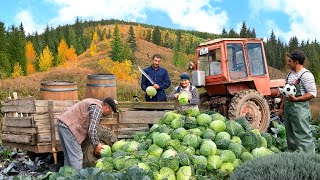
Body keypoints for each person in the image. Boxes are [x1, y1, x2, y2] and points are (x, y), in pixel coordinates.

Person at [55, 97, 117, 169]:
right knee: (77, 157)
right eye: (110, 112)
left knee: (69, 156)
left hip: (62, 124)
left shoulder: (94, 102)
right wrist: (96, 145)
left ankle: (67, 176)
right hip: (69, 127)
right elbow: (92, 129)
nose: (108, 114)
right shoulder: (98, 109)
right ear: (106, 108)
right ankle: (76, 176)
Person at [279, 50, 317, 153]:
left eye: (290, 61)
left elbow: (313, 93)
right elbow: (284, 94)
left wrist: (297, 99)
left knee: (303, 135)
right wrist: (281, 108)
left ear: (296, 62)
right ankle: (294, 158)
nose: (288, 63)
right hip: (288, 109)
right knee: (290, 135)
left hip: (300, 110)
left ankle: (308, 158)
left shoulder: (306, 75)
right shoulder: (289, 75)